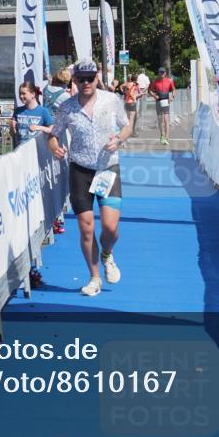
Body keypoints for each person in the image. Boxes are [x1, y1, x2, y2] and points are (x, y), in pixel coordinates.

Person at [48, 60, 132, 297]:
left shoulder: (111, 100)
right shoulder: (67, 107)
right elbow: (53, 135)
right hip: (80, 170)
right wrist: (55, 147)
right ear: (74, 81)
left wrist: (120, 139)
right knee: (86, 229)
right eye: (80, 79)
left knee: (110, 228)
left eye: (90, 78)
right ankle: (94, 277)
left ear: (97, 78)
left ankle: (107, 254)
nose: (86, 83)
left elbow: (127, 127)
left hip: (108, 168)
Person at [11, 82, 54, 147]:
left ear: (33, 94)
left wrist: (39, 127)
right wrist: (12, 127)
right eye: (20, 94)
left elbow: (53, 130)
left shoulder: (43, 111)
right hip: (20, 151)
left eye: (23, 94)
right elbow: (13, 134)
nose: (21, 96)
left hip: (36, 151)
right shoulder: (17, 111)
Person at [149, 67, 176, 146]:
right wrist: (154, 95)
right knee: (160, 120)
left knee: (166, 119)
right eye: (160, 72)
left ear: (165, 73)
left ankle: (167, 138)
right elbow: (150, 91)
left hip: (166, 101)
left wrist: (172, 97)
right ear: (158, 73)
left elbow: (174, 89)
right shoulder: (155, 82)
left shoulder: (169, 81)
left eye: (163, 72)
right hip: (158, 101)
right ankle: (162, 135)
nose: (162, 74)